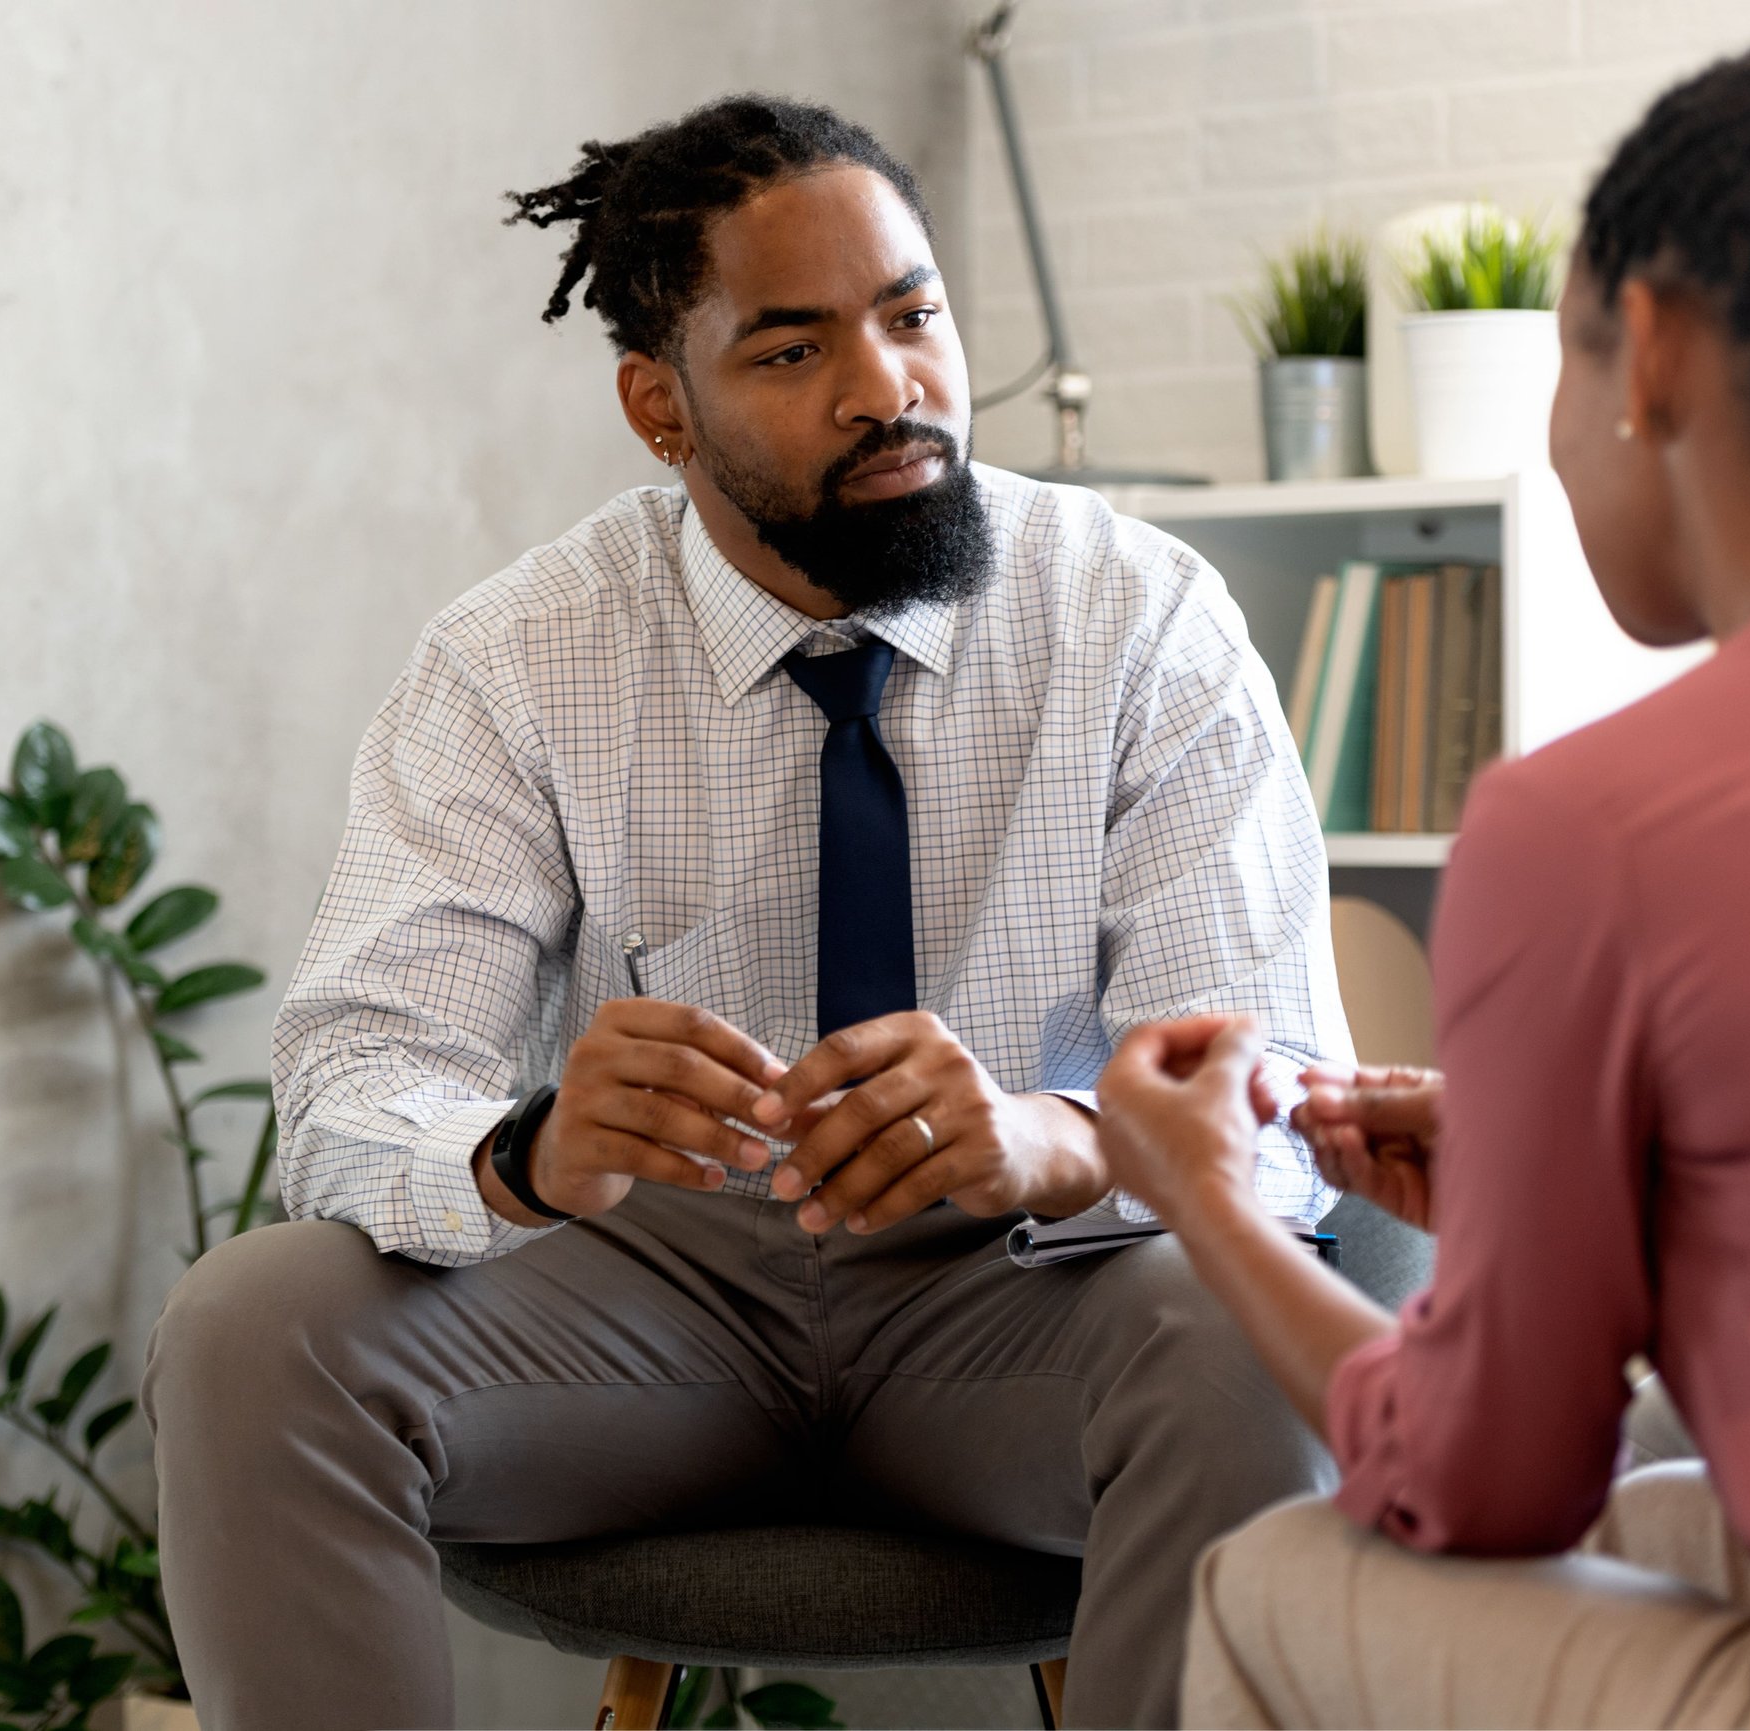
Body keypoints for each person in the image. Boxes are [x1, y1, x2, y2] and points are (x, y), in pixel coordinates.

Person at [141, 95, 1352, 1728]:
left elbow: (1273, 1095)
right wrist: (524, 1151)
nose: (888, 389)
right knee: (248, 1328)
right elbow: (353, 1079)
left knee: (1248, 1342)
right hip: (655, 1306)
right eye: (792, 353)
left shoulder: (1143, 622)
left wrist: (1052, 1140)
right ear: (660, 405)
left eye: (913, 315)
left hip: (1030, 1294)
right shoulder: (516, 657)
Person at [1095, 12, 1750, 1726]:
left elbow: (1486, 1478)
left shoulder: (1596, 821)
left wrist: (1199, 1195)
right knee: (1661, 1501)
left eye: (1568, 362)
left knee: (1283, 1575)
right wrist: (1595, 1190)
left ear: (1646, 350)